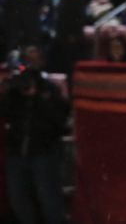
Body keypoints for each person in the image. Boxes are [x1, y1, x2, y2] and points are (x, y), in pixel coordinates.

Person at [0, 64, 69, 224]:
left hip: (43, 153)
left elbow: (60, 118)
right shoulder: (15, 94)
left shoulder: (49, 91)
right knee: (17, 197)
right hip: (16, 152)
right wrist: (8, 92)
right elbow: (5, 112)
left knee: (49, 199)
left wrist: (38, 97)